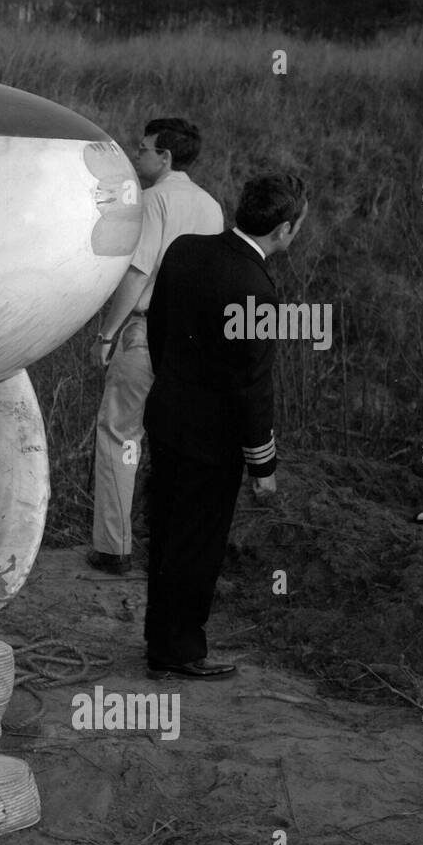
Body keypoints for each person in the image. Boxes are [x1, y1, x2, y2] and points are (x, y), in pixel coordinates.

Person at [143, 172, 308, 680]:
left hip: (166, 417)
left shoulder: (185, 249)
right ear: (283, 230)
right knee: (197, 544)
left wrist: (173, 386)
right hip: (210, 442)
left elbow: (158, 330)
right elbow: (253, 387)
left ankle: (161, 641)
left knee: (166, 534)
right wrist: (264, 463)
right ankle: (179, 651)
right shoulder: (257, 289)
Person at [89, 118, 223, 576]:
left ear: (165, 157)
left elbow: (138, 273)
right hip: (194, 343)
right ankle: (177, 547)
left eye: (143, 148)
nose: (136, 153)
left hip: (145, 334)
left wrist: (107, 334)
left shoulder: (153, 200)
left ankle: (113, 548)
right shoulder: (212, 208)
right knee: (176, 445)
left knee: (119, 435)